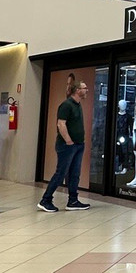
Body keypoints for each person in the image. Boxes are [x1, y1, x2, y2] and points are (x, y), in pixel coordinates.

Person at [38, 80, 91, 212]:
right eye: (85, 88)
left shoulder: (78, 105)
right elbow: (61, 124)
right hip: (67, 146)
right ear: (77, 90)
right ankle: (46, 200)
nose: (87, 90)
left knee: (75, 174)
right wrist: (68, 140)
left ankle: (73, 200)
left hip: (78, 145)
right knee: (61, 173)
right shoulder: (66, 105)